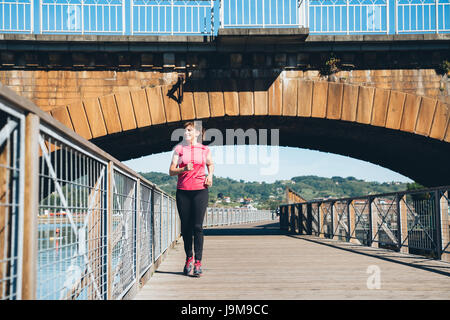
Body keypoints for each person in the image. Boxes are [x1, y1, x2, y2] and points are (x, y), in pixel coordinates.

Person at [169, 121, 214, 277]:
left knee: (198, 227)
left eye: (189, 130)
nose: (186, 133)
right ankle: (189, 257)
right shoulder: (179, 150)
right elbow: (171, 171)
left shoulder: (204, 149)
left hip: (200, 191)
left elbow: (210, 164)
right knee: (186, 228)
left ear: (197, 133)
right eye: (185, 130)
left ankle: (198, 262)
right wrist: (183, 168)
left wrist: (210, 176)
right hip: (183, 192)